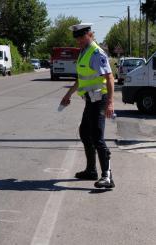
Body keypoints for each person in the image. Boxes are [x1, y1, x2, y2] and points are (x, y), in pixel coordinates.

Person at [61, 23, 115, 188]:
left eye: (81, 38)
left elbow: (110, 78)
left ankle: (107, 177)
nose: (78, 41)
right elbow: (82, 78)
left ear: (90, 35)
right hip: (90, 100)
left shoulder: (96, 53)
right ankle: (91, 170)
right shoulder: (84, 52)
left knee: (97, 136)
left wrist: (110, 103)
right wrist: (68, 94)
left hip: (100, 99)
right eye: (77, 38)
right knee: (85, 133)